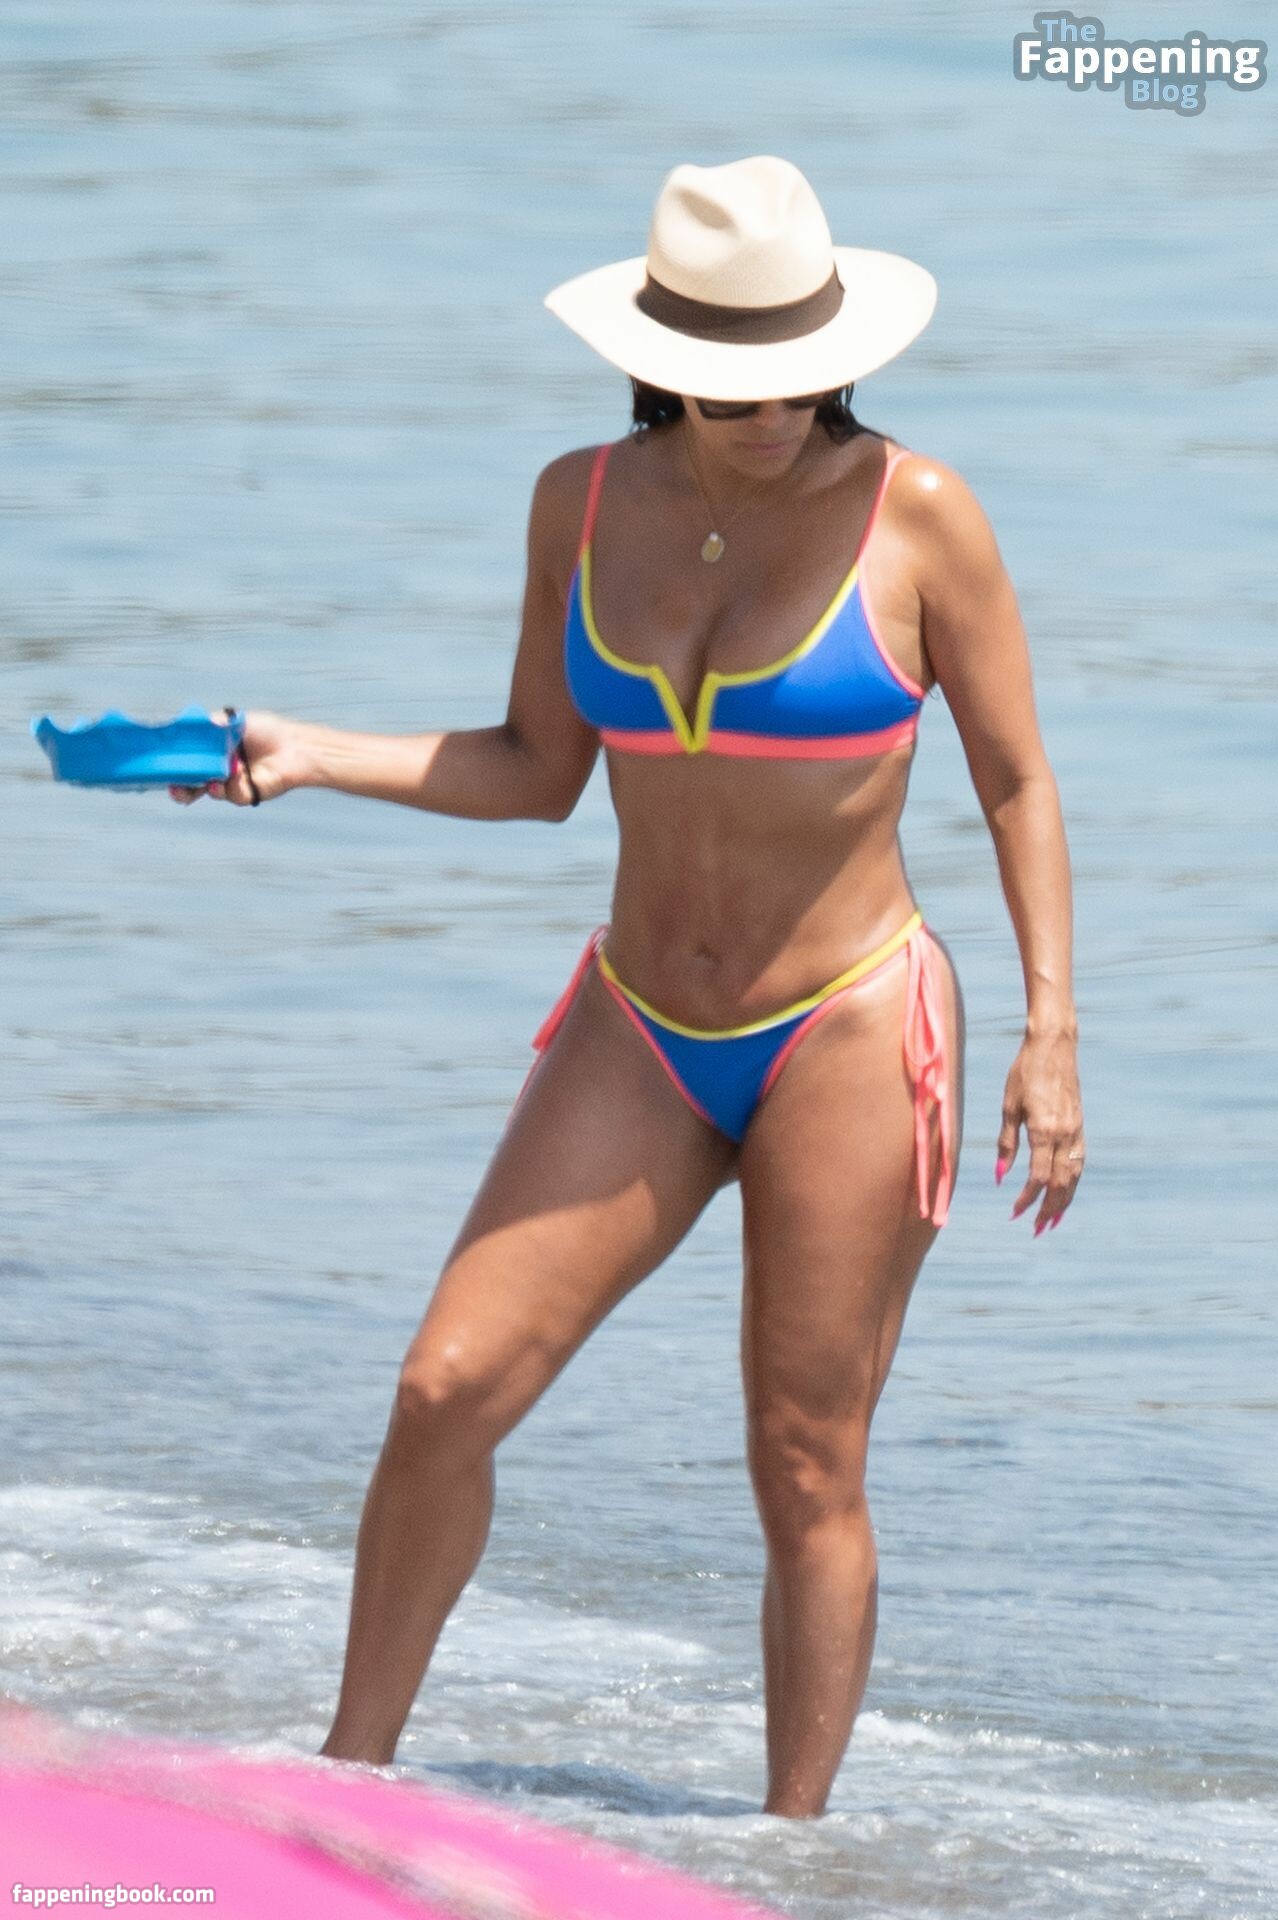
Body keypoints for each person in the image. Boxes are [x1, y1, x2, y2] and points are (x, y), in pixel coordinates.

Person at [171, 156, 1085, 1818]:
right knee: (443, 1389)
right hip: (641, 1021)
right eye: (736, 383)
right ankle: (341, 1794)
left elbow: (1018, 782)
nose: (774, 408)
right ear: (664, 364)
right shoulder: (578, 502)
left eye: (799, 372)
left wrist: (1051, 1035)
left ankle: (788, 1864)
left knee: (802, 1460)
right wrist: (306, 754)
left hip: (850, 1022)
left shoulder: (918, 511)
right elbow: (537, 769)